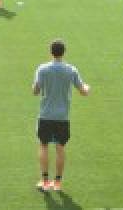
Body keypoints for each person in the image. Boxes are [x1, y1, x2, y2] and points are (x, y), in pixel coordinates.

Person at [33, 39, 90, 193]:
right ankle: (57, 183)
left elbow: (35, 91)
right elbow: (83, 91)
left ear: (51, 52)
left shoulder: (42, 69)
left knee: (43, 145)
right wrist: (87, 88)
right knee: (60, 148)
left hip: (45, 114)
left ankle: (45, 181)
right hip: (62, 116)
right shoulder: (71, 70)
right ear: (64, 52)